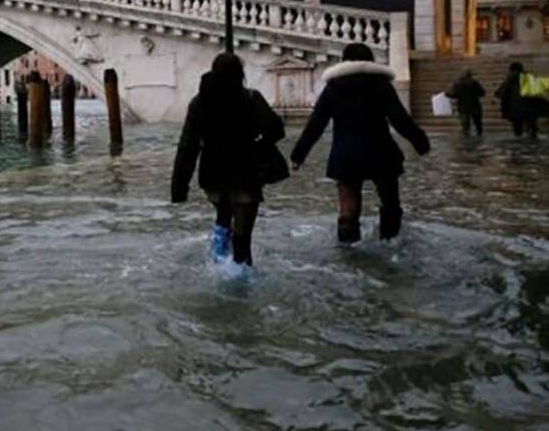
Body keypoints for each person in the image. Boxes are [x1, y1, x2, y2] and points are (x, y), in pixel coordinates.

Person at [290, 43, 430, 243]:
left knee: (348, 209)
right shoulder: (382, 86)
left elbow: (316, 124)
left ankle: (350, 254)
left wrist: (298, 155)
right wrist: (420, 142)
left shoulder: (333, 88)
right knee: (390, 203)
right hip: (381, 152)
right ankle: (389, 244)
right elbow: (400, 119)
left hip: (346, 155)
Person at [171, 53, 285, 266]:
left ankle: (218, 262)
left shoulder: (199, 103)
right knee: (243, 235)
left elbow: (188, 147)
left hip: (213, 176)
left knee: (223, 215)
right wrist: (257, 143)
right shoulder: (251, 98)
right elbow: (276, 130)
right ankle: (240, 275)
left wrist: (179, 187)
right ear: (240, 74)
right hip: (245, 173)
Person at [495, 62, 537, 138]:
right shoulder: (528, 78)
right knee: (532, 127)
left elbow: (500, 92)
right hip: (530, 107)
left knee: (518, 129)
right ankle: (532, 138)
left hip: (515, 108)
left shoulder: (509, 80)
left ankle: (519, 141)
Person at [447, 70, 485, 136]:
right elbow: (482, 93)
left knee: (465, 125)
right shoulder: (474, 82)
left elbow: (452, 94)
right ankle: (479, 134)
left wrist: (447, 94)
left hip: (463, 107)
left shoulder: (457, 83)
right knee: (477, 123)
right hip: (474, 106)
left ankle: (466, 136)